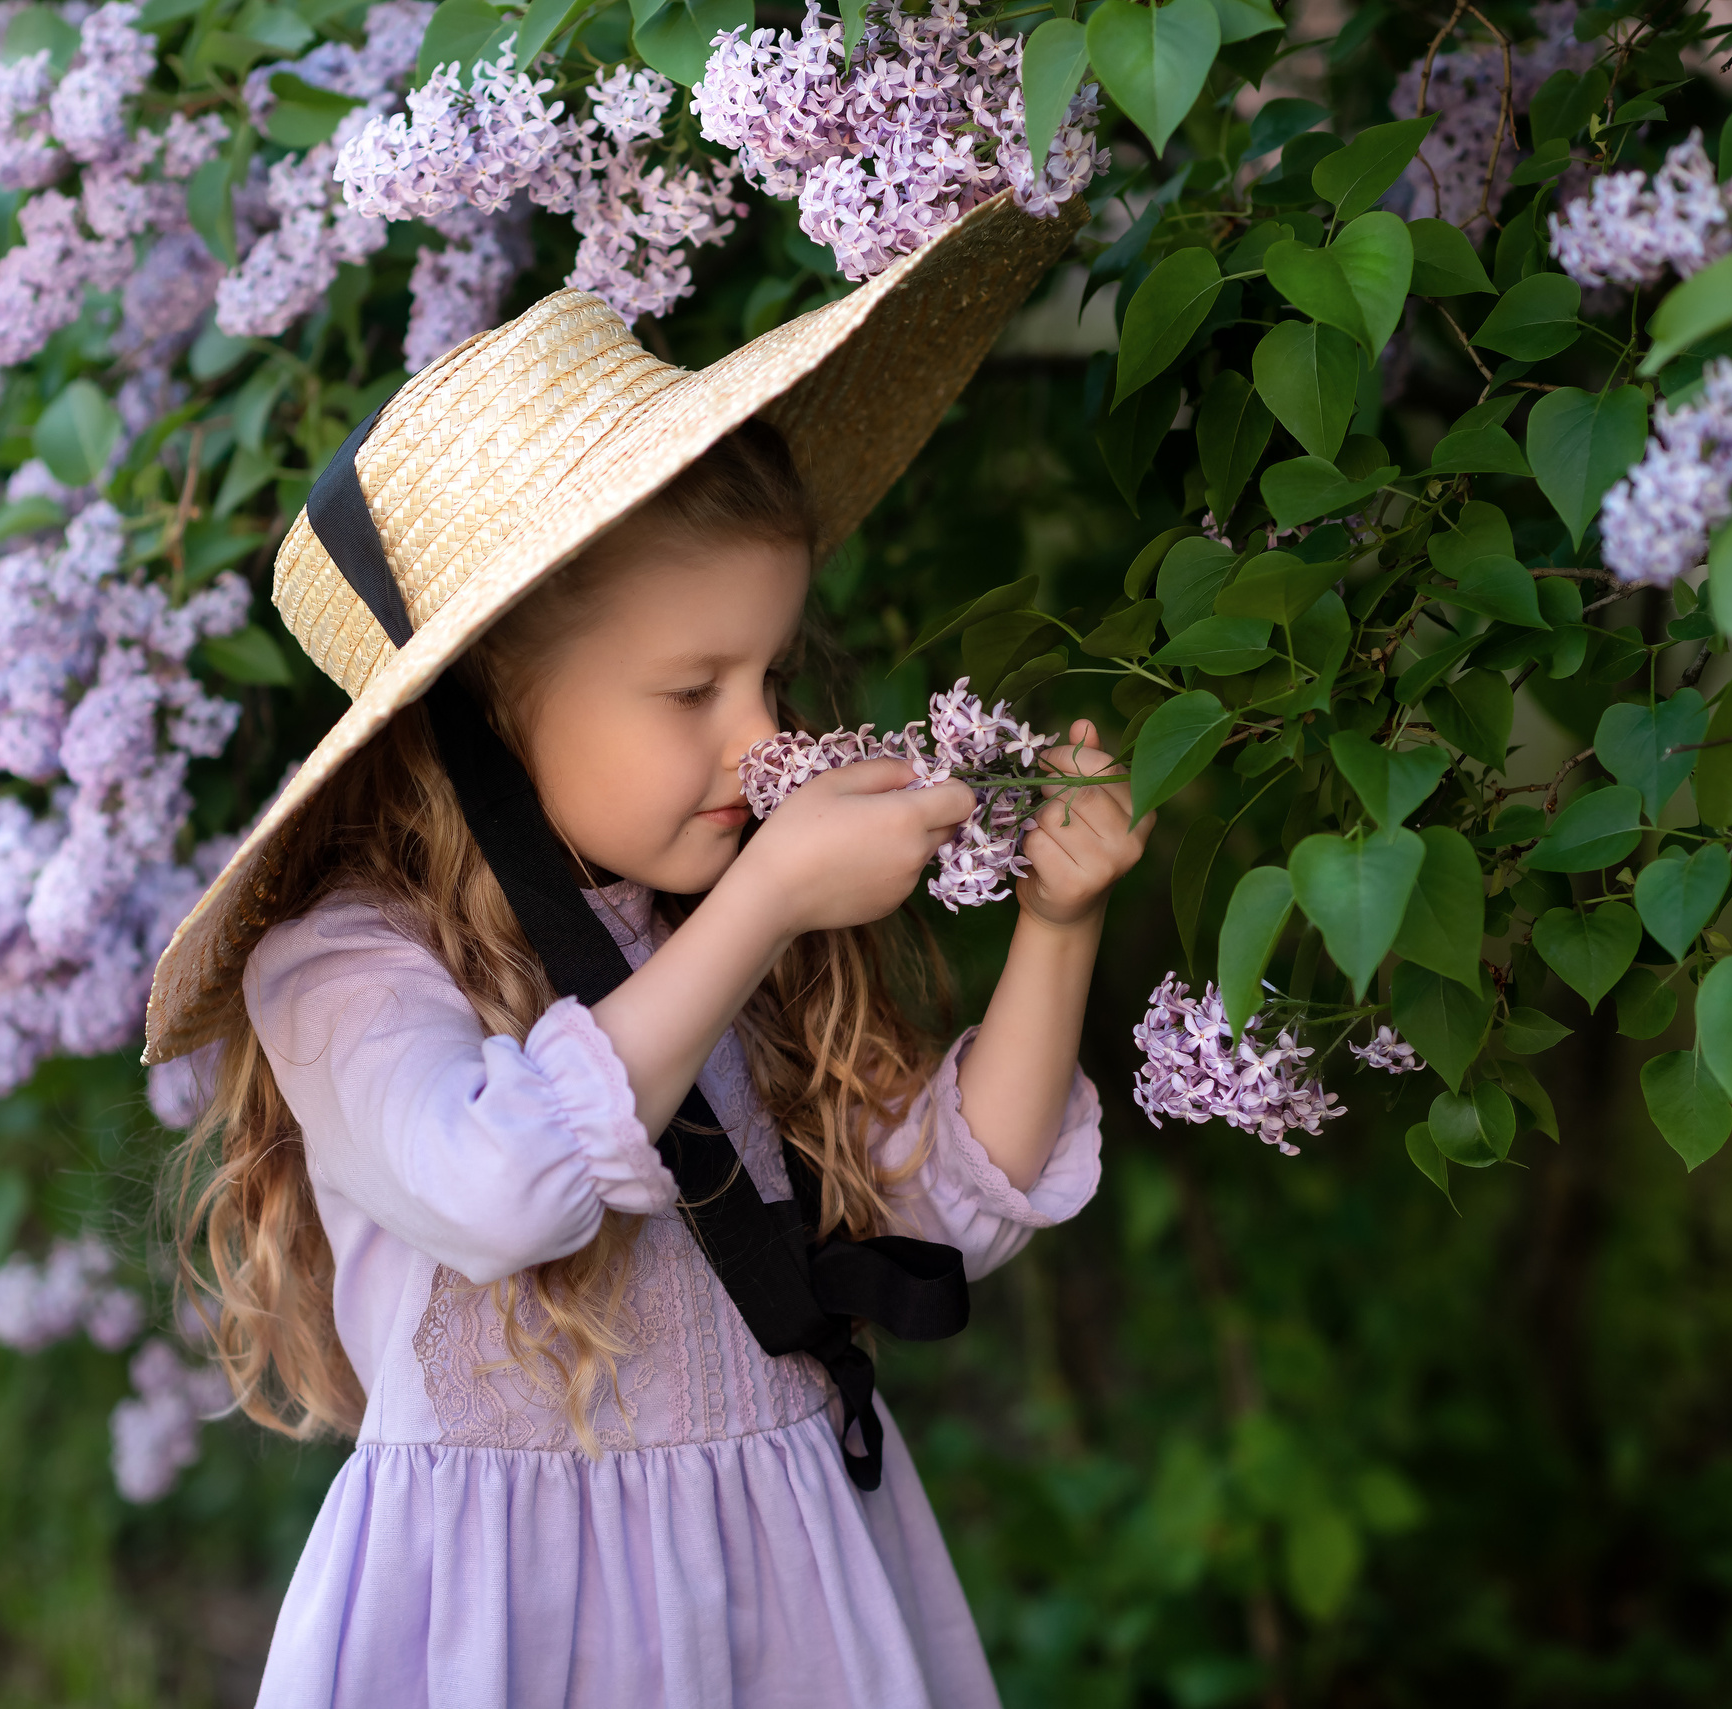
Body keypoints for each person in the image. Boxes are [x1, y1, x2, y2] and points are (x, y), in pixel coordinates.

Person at [143, 193, 1148, 1708]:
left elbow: (943, 1210)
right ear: (489, 708)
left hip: (785, 1597)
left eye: (768, 671)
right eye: (692, 690)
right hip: (509, 1630)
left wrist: (1055, 930)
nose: (760, 738)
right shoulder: (341, 963)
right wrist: (760, 911)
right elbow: (498, 1187)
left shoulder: (716, 929)